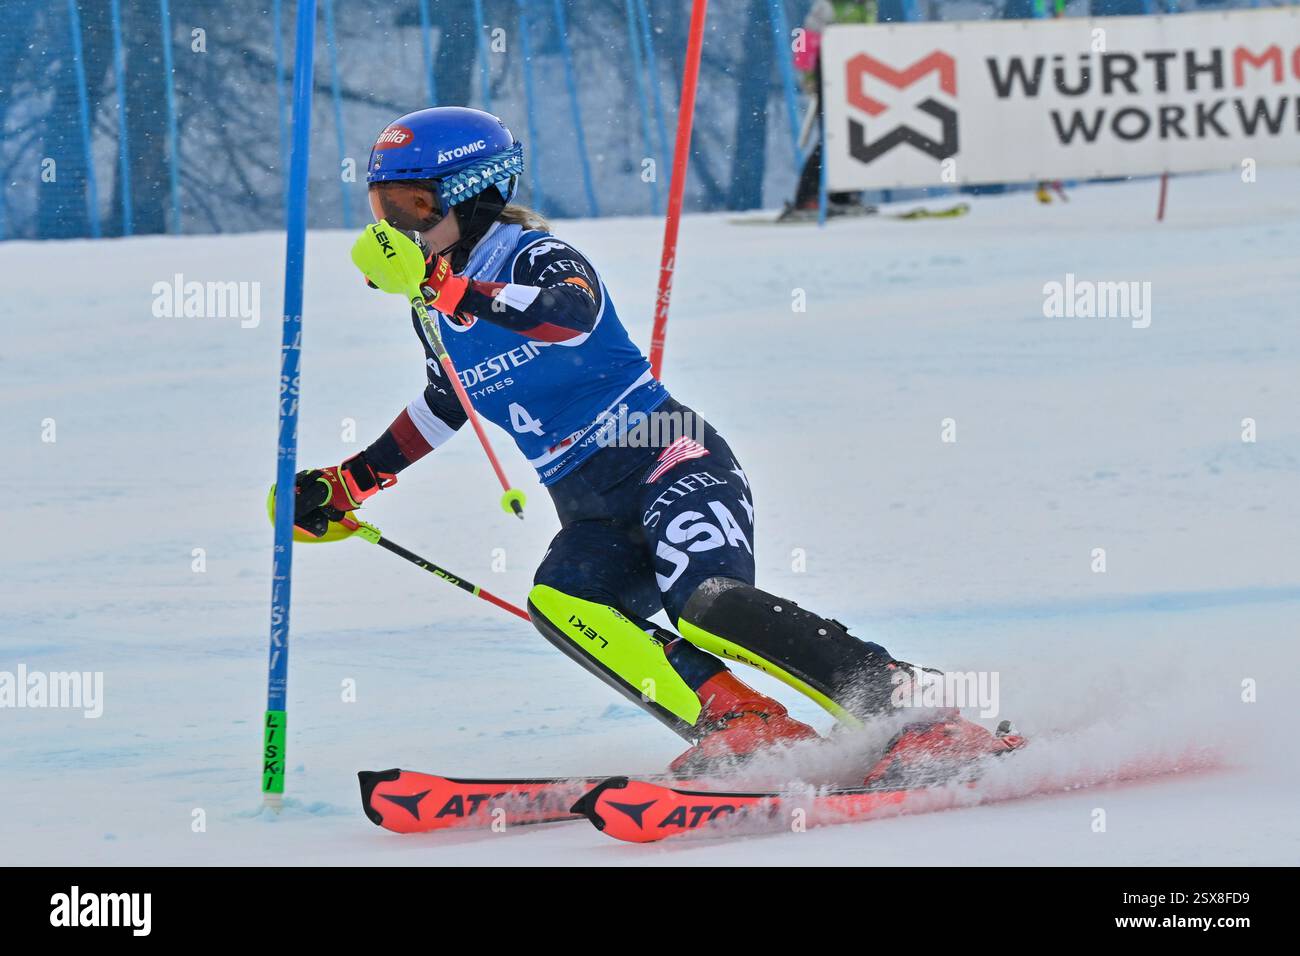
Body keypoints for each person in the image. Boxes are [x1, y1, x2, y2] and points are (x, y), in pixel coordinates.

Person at [293, 106, 1018, 779]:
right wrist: (347, 482)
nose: (394, 226)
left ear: (474, 194)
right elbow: (445, 403)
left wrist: (458, 293)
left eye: (412, 207)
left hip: (668, 456)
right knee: (564, 601)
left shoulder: (535, 257)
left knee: (707, 604)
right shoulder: (432, 308)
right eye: (381, 207)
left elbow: (568, 316)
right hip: (588, 505)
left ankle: (916, 713)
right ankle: (742, 722)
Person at [783, 1, 879, 220]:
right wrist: (806, 76)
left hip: (856, 71)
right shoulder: (829, 6)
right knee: (832, 136)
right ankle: (807, 197)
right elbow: (803, 40)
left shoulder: (867, 5)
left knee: (854, 135)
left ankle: (843, 195)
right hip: (829, 72)